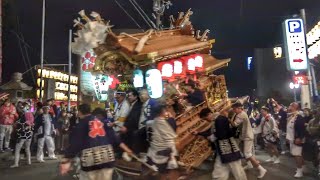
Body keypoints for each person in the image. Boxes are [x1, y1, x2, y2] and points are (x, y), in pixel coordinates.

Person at [59, 104, 133, 180]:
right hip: (107, 156)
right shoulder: (102, 122)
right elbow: (115, 138)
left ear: (80, 112)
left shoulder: (81, 125)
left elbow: (76, 144)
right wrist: (127, 149)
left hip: (90, 158)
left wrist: (66, 160)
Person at [200, 107, 247, 180]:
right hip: (222, 150)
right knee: (219, 170)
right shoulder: (217, 120)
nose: (206, 121)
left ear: (209, 114)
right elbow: (215, 132)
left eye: (205, 118)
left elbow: (221, 134)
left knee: (237, 170)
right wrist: (200, 133)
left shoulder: (219, 120)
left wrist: (211, 137)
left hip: (229, 149)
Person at [230, 102, 267, 179]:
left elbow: (234, 124)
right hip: (244, 136)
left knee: (247, 154)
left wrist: (228, 119)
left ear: (239, 108)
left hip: (247, 136)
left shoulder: (241, 114)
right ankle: (249, 165)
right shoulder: (241, 113)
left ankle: (261, 169)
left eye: (234, 109)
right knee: (245, 152)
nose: (234, 111)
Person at [146, 105, 179, 180]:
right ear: (162, 112)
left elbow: (149, 138)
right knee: (168, 173)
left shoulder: (150, 123)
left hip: (153, 151)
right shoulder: (162, 122)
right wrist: (172, 155)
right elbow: (170, 140)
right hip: (163, 153)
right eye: (165, 111)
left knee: (161, 173)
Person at [10, 103, 34, 168]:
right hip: (29, 135)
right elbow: (31, 126)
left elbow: (19, 127)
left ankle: (16, 163)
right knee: (27, 148)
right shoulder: (31, 117)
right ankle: (29, 161)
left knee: (17, 149)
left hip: (22, 136)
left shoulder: (23, 117)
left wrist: (16, 126)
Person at [286, 102, 306, 178]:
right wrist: (288, 137)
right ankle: (303, 167)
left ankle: (299, 171)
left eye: (290, 105)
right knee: (297, 154)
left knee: (297, 155)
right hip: (292, 138)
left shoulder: (299, 116)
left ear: (294, 107)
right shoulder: (292, 115)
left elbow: (301, 128)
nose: (289, 107)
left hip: (296, 139)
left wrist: (299, 138)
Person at [120, 89, 143, 154]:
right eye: (128, 96)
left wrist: (126, 127)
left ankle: (129, 153)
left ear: (135, 96)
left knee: (123, 134)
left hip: (134, 126)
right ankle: (125, 152)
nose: (129, 97)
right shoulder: (132, 104)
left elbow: (134, 118)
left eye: (130, 96)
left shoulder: (138, 105)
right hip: (130, 126)